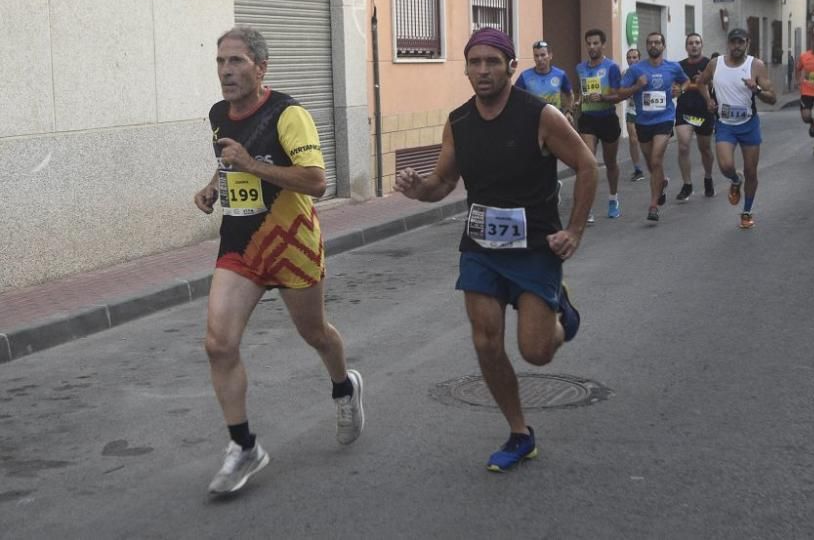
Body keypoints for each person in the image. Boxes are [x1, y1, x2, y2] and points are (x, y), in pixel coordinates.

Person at [395, 28, 597, 473]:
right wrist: (417, 190)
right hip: (481, 245)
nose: (482, 70)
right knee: (486, 341)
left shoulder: (540, 116)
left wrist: (576, 231)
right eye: (474, 62)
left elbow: (586, 165)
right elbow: (443, 183)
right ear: (466, 68)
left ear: (510, 67)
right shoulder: (459, 122)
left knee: (536, 352)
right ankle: (519, 433)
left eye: (492, 61)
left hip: (535, 247)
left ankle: (564, 316)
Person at [193, 25, 364, 495]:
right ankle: (244, 446)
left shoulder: (289, 114)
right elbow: (230, 159)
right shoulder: (217, 114)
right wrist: (214, 183)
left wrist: (253, 165)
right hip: (241, 245)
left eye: (236, 62)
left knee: (315, 333)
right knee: (217, 343)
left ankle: (344, 386)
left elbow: (315, 181)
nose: (226, 71)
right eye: (220, 62)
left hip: (292, 242)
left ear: (260, 68)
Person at [696, 28, 777, 229]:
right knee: (725, 166)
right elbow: (700, 83)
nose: (737, 46)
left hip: (749, 124)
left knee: (751, 171)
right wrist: (708, 100)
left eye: (741, 42)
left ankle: (747, 211)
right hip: (725, 124)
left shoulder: (756, 65)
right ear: (728, 44)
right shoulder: (716, 64)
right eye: (733, 42)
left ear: (747, 43)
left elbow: (772, 97)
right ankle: (734, 179)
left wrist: (756, 89)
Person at [618, 32, 690, 222]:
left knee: (656, 159)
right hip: (643, 121)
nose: (653, 45)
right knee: (652, 164)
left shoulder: (673, 67)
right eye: (650, 42)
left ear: (663, 46)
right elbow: (621, 92)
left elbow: (686, 80)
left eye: (657, 42)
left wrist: (680, 90)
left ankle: (653, 205)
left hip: (664, 119)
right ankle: (662, 182)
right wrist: (636, 87)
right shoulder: (636, 70)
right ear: (646, 46)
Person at [575, 29, 624, 222]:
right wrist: (579, 101)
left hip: (607, 118)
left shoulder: (611, 67)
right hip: (588, 119)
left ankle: (613, 199)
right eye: (589, 43)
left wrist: (603, 97)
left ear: (603, 44)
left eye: (596, 43)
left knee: (610, 163)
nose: (592, 47)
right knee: (589, 163)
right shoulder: (580, 68)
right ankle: (587, 206)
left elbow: (618, 96)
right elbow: (581, 90)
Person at [673, 33, 716, 199]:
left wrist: (705, 82)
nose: (694, 46)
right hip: (685, 111)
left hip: (704, 111)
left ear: (702, 45)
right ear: (686, 47)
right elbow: (675, 86)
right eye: (691, 43)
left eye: (697, 43)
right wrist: (676, 90)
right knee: (683, 146)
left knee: (705, 148)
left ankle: (708, 178)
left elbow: (715, 85)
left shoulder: (709, 64)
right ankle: (687, 184)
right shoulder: (679, 66)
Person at [515, 40, 574, 124]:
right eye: (536, 56)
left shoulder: (560, 74)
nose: (539, 59)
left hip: (555, 121)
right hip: (533, 121)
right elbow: (515, 97)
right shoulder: (524, 76)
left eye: (543, 55)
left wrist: (569, 111)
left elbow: (570, 95)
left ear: (550, 56)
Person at [624, 48, 646, 182]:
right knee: (633, 139)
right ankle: (637, 169)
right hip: (631, 109)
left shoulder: (645, 72)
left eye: (634, 57)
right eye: (629, 57)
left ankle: (653, 164)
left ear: (639, 58)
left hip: (644, 110)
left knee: (645, 141)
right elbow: (620, 89)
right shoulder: (625, 73)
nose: (632, 60)